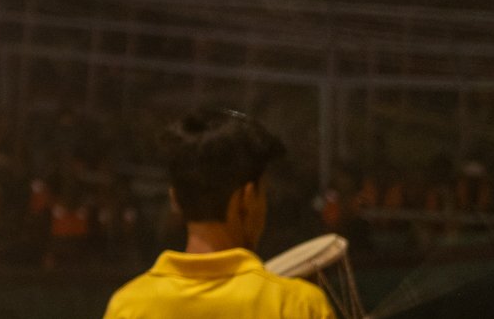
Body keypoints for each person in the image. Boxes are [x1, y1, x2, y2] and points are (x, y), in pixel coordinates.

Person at [103, 110, 333, 319]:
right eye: (263, 194)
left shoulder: (128, 307)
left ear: (175, 200)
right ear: (247, 197)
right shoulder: (299, 306)